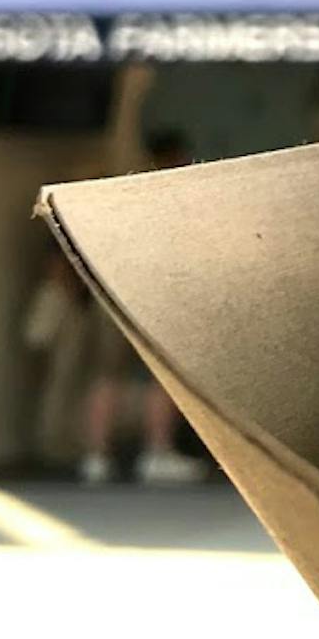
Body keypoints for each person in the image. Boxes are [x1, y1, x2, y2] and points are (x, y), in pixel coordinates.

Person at [72, 130, 209, 485]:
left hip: (108, 292)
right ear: (178, 155)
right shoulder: (177, 198)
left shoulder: (118, 194)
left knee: (105, 376)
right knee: (160, 375)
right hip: (154, 294)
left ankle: (95, 457)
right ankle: (156, 451)